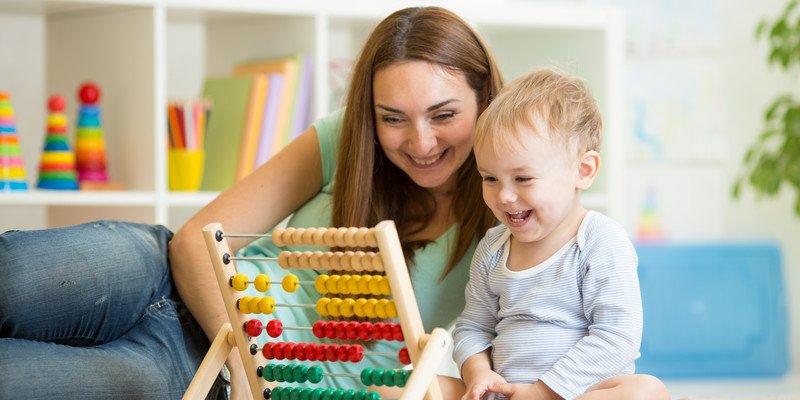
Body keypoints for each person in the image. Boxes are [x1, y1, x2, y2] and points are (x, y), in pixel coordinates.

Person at [0, 6, 501, 399]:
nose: (420, 142)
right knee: (15, 275)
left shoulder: (506, 216)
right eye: (392, 118)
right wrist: (245, 357)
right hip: (173, 277)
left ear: (484, 99)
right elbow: (200, 238)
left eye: (443, 114)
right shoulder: (346, 137)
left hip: (195, 369)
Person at [450, 68, 670, 400]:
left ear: (582, 171)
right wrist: (479, 373)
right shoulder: (492, 249)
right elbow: (472, 328)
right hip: (506, 393)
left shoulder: (600, 241)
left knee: (646, 391)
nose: (503, 196)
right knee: (402, 386)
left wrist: (542, 392)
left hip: (576, 393)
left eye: (523, 179)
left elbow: (617, 339)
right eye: (490, 178)